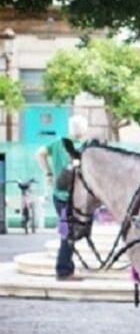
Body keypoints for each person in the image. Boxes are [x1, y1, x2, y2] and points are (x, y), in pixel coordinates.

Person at [36, 120, 86, 281]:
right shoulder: (85, 146)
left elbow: (39, 153)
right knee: (68, 233)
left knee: (67, 231)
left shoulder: (58, 143)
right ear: (83, 129)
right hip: (74, 197)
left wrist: (48, 173)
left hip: (59, 194)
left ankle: (66, 267)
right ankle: (63, 270)